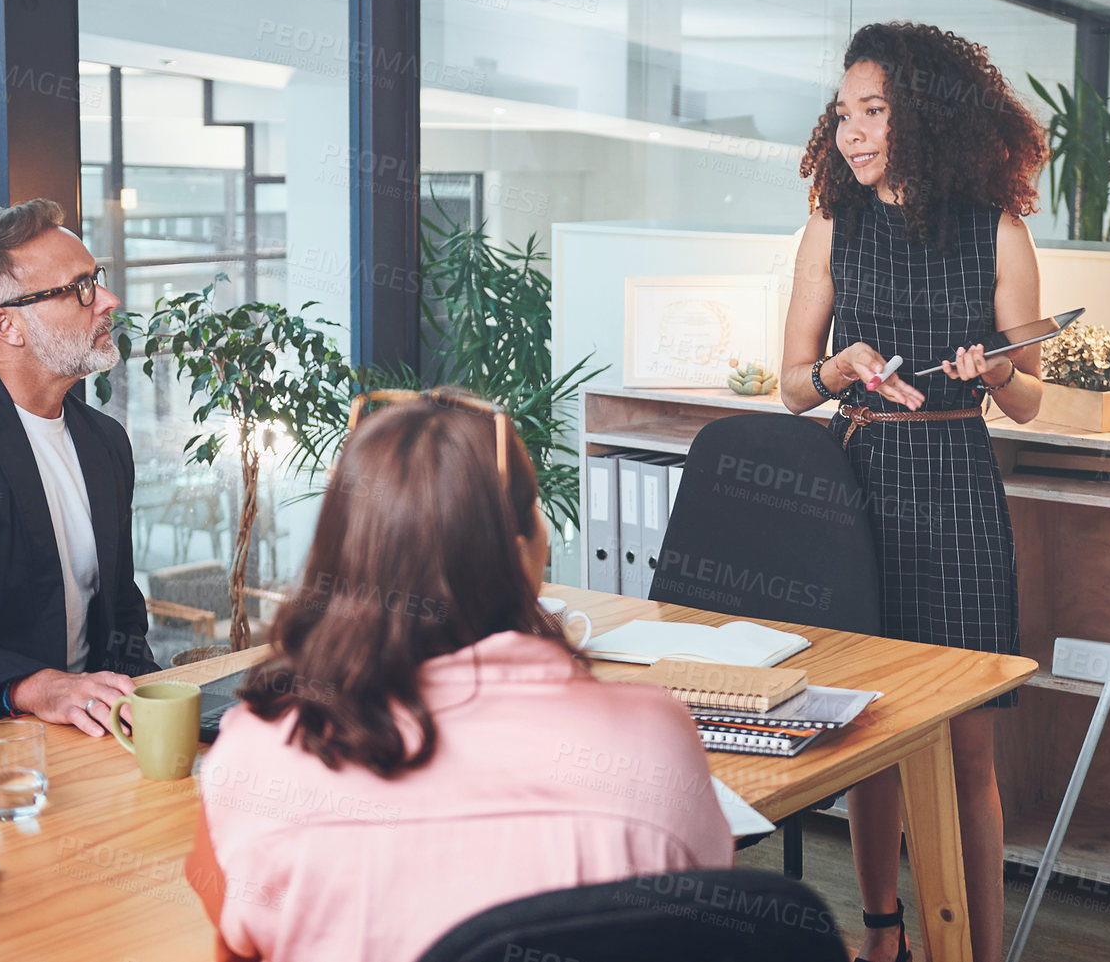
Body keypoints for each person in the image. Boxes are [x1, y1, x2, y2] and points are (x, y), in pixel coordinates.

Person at [189, 389, 733, 962]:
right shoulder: (654, 741)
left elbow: (236, 941)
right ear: (526, 552)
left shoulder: (254, 757)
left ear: (339, 551)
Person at [780, 22, 1048, 962]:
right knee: (871, 734)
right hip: (860, 486)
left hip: (957, 483)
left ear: (924, 117)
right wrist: (839, 367)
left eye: (874, 112)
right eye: (843, 113)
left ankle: (971, 947)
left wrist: (991, 373)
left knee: (967, 747)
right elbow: (789, 383)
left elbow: (1028, 394)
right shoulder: (832, 219)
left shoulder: (998, 229)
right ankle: (884, 933)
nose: (852, 133)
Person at [0, 199, 155, 734]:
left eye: (99, 279)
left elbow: (123, 610)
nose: (109, 300)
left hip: (95, 735)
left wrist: (155, 711)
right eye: (80, 286)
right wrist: (34, 686)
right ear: (6, 326)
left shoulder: (106, 440)